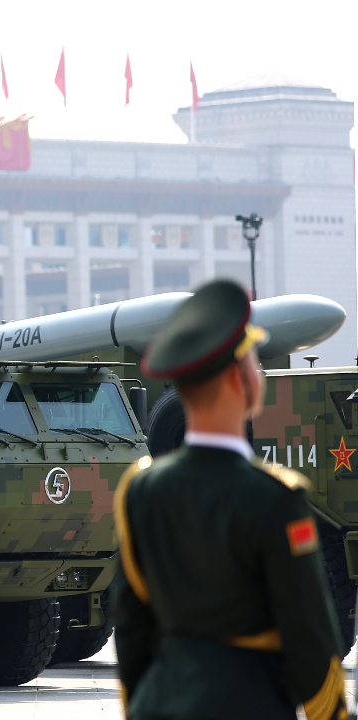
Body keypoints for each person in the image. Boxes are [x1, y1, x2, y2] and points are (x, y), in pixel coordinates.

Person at [113, 279, 348, 720]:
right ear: (239, 379)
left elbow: (130, 630)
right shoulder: (275, 496)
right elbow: (309, 637)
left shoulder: (139, 490)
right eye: (255, 361)